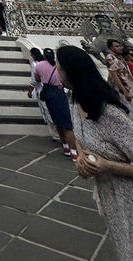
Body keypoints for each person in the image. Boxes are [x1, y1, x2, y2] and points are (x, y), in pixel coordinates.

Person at [57, 45, 133, 261]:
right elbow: (78, 136)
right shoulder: (74, 100)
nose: (56, 70)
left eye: (59, 67)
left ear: (72, 72)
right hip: (109, 197)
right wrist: (81, 158)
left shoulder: (110, 114)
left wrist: (108, 166)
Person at [34, 47, 77, 159]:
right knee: (67, 124)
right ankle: (74, 151)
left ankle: (66, 147)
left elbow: (37, 79)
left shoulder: (39, 65)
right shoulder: (59, 66)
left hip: (48, 92)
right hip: (58, 92)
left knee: (57, 122)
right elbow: (66, 81)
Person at [28, 47, 57, 138]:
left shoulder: (36, 65)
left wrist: (30, 91)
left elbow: (35, 80)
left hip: (42, 90)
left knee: (47, 112)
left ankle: (55, 134)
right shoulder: (54, 64)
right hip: (56, 90)